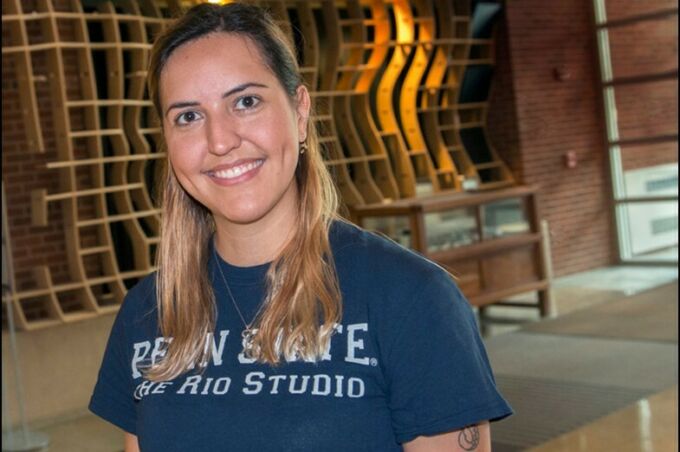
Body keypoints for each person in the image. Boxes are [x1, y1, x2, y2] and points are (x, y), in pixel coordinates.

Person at [89, 3, 512, 451]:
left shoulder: (409, 299)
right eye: (188, 116)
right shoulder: (147, 313)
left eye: (246, 102)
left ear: (300, 111)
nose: (220, 141)